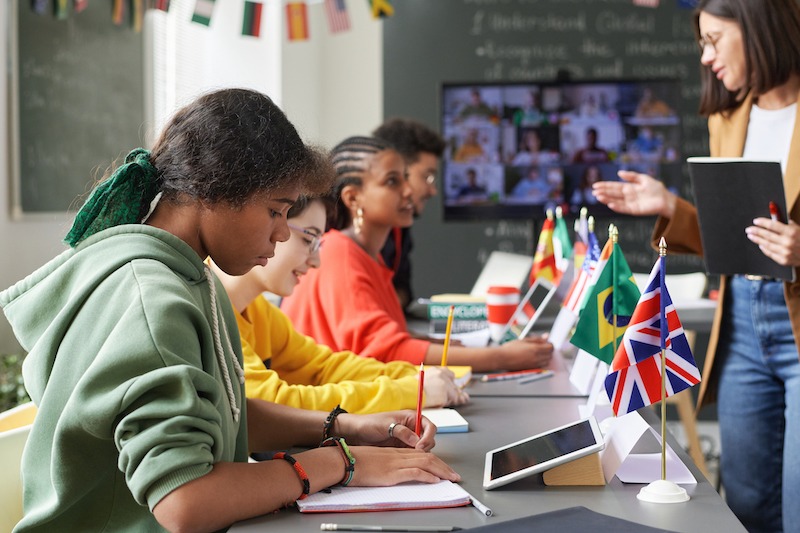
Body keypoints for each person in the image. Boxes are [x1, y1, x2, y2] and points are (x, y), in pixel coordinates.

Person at [0, 89, 460, 533]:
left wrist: (344, 428)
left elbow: (227, 417)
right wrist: (340, 464)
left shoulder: (193, 279)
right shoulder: (151, 300)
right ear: (214, 189)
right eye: (276, 212)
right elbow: (185, 501)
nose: (282, 235)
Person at [592, 2, 800, 531]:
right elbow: (740, 239)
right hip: (743, 327)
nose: (706, 58)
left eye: (713, 40)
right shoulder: (728, 117)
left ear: (758, 28)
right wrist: (670, 206)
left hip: (796, 320)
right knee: (747, 504)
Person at [281, 136, 553, 373]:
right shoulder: (339, 252)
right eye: (392, 181)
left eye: (406, 179)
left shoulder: (368, 256)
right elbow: (386, 352)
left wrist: (436, 344)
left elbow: (387, 340)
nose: (409, 191)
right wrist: (501, 357)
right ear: (353, 198)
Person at [211, 194, 468, 413]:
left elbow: (323, 367)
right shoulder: (210, 310)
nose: (317, 262)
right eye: (308, 239)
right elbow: (274, 404)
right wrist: (410, 391)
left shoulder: (257, 311)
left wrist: (415, 377)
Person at [373, 118, 446, 309]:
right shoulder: (338, 236)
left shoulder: (400, 228)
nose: (433, 190)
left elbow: (404, 291)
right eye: (427, 177)